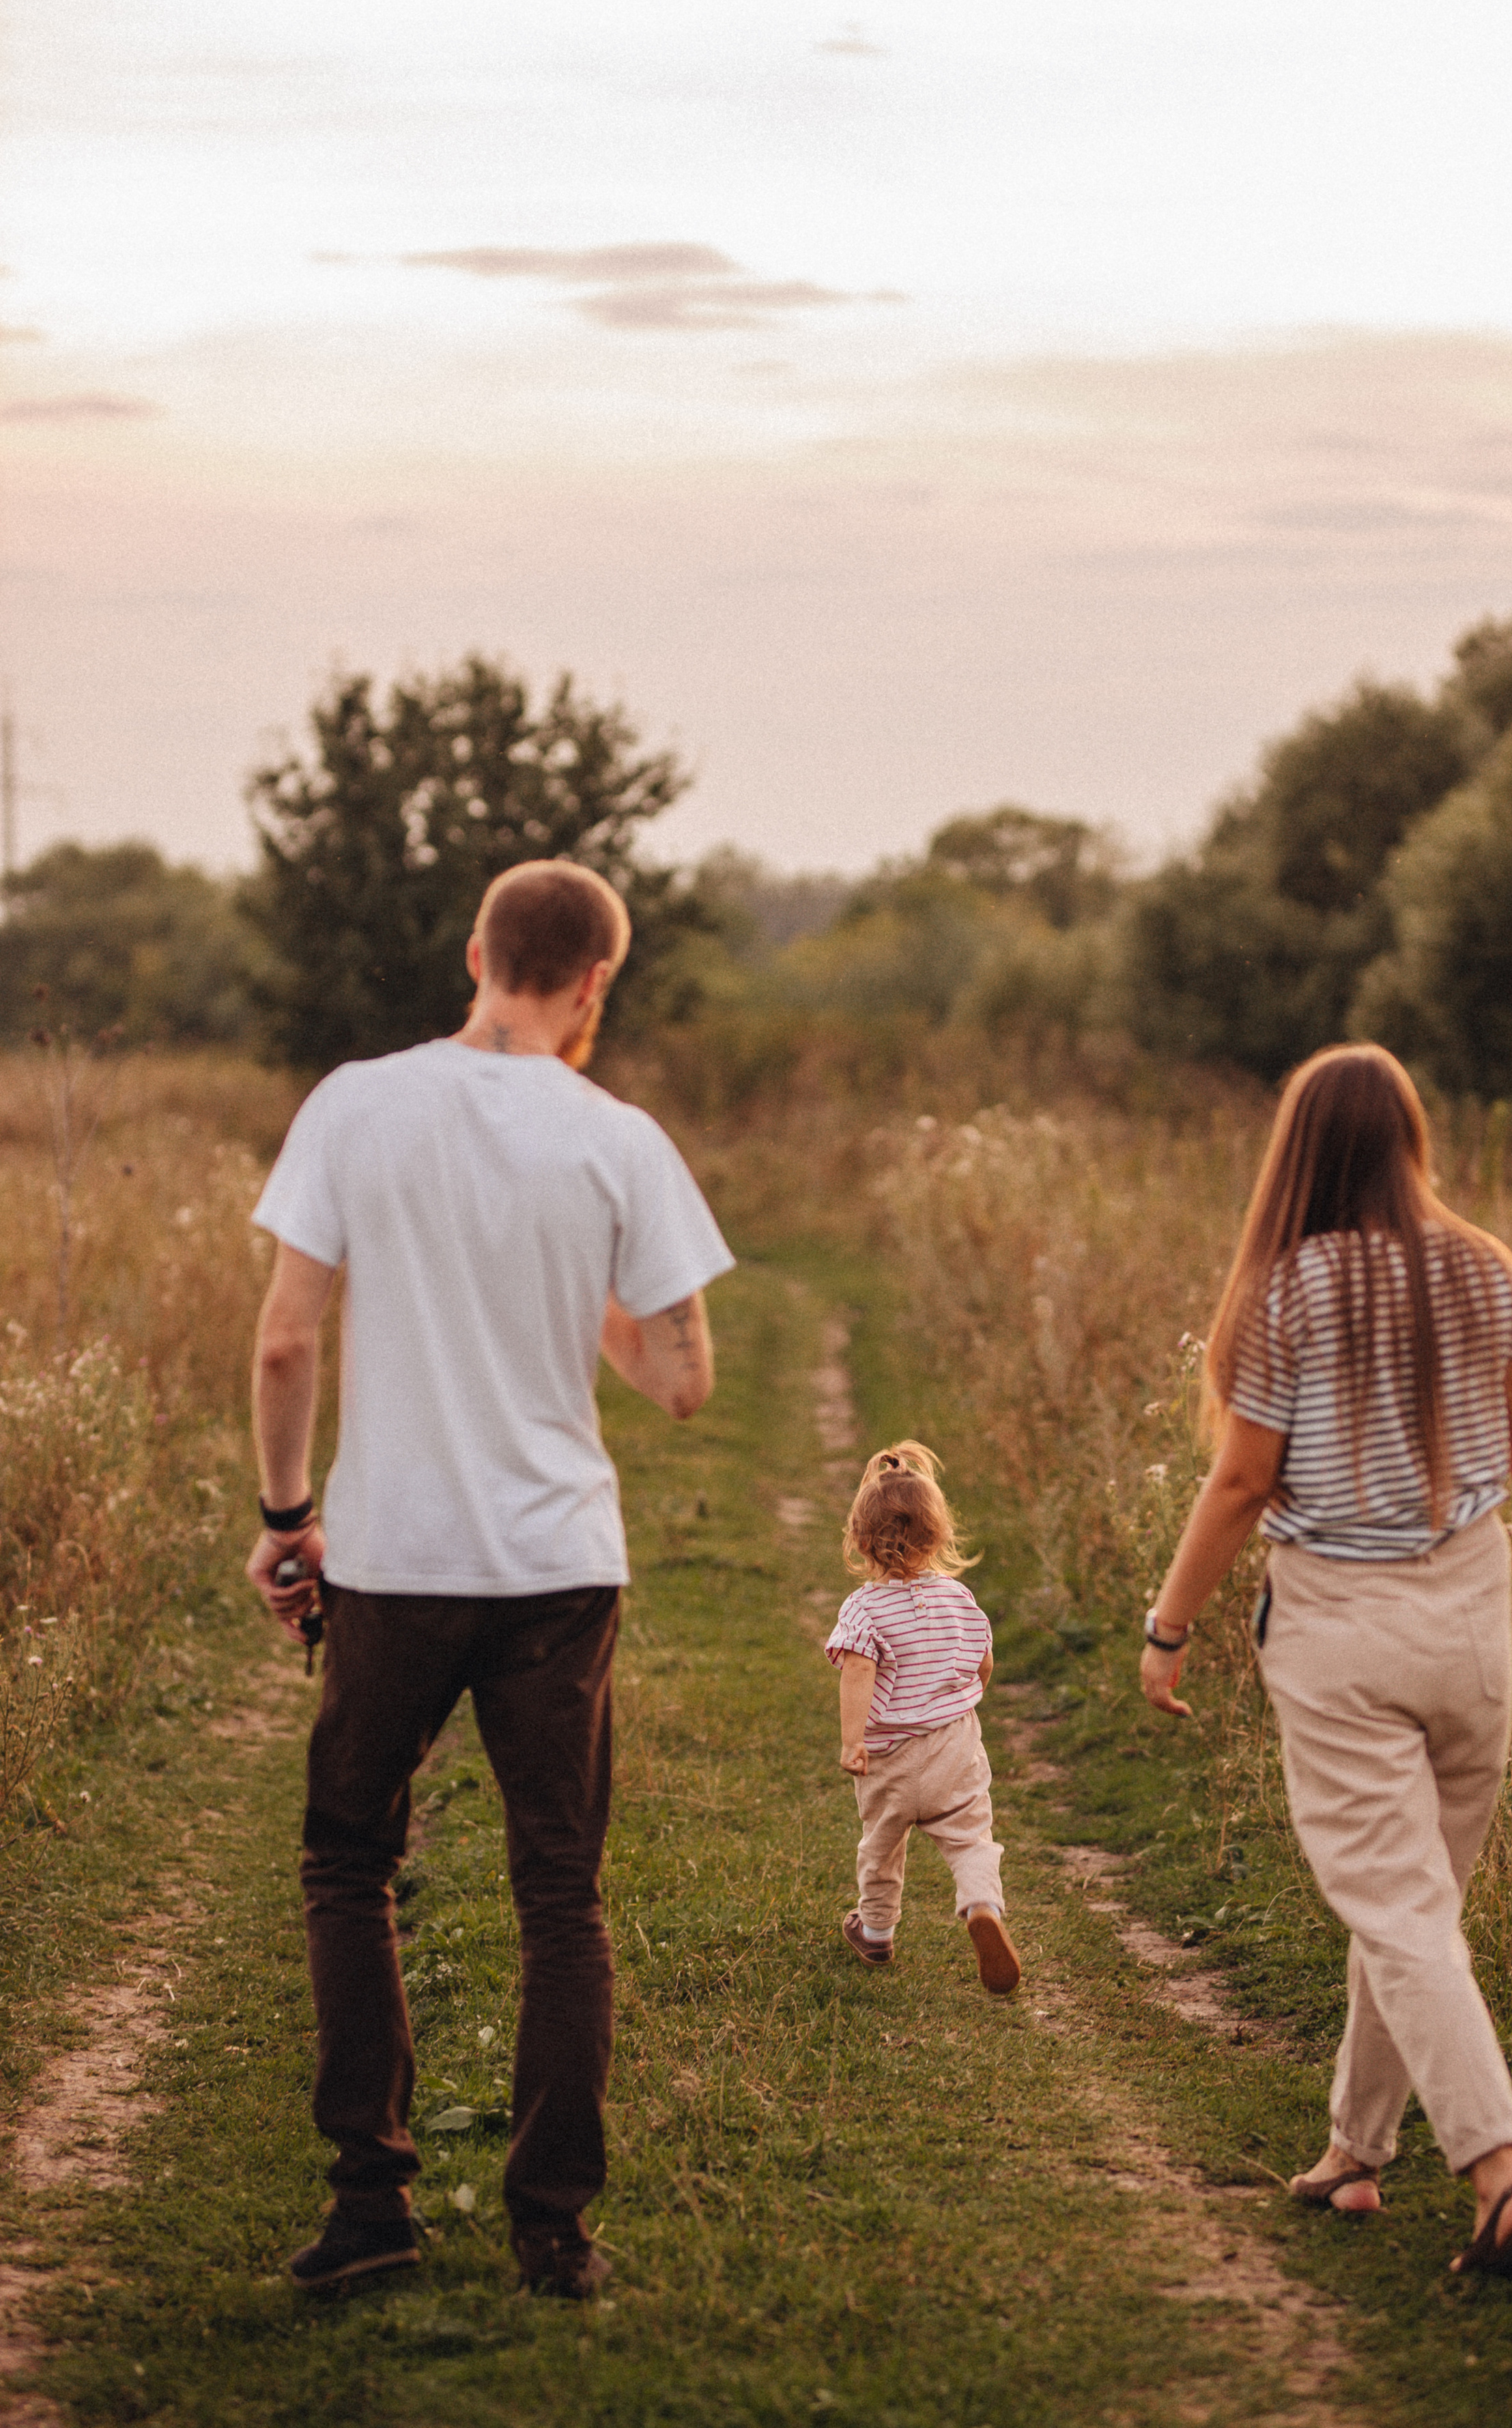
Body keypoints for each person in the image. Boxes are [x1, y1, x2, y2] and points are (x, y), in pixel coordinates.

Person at [244, 859, 734, 2299]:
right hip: (556, 1568)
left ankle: (371, 2210)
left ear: (474, 954)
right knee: (559, 1892)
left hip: (392, 1557)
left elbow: (285, 1342)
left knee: (350, 1860)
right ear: (597, 983)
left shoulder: (354, 1103)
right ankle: (553, 2232)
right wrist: (562, 1285)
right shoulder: (619, 1140)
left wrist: (288, 1517)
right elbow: (687, 1380)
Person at [1138, 1044, 1512, 2279]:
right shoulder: (1490, 1269)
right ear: (1413, 1141)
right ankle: (1355, 2154)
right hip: (1473, 1622)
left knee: (1402, 1908)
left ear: (1300, 1151)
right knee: (1414, 1903)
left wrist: (1167, 1629)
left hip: (1342, 1628)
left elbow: (1241, 1480)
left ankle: (1497, 2176)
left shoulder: (1285, 1292)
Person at [827, 1443, 1021, 1995]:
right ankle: (982, 1905)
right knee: (971, 1840)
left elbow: (857, 1675)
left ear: (862, 1541)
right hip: (955, 1747)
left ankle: (877, 1930)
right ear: (938, 1535)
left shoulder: (864, 1609)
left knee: (882, 1845)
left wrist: (852, 1743)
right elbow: (983, 1664)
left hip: (890, 1755)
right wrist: (964, 1696)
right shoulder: (960, 1597)